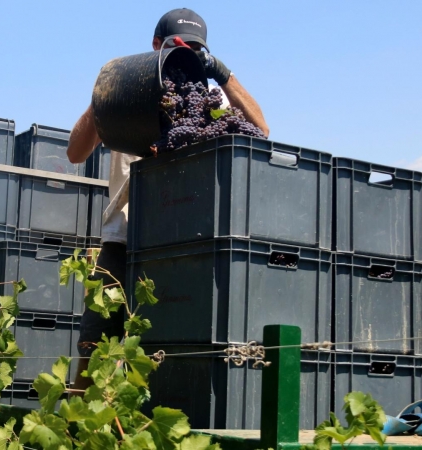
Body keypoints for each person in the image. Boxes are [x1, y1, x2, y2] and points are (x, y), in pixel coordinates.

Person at [66, 8, 269, 391]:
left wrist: (223, 75)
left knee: (163, 355)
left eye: (196, 50)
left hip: (180, 242)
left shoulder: (207, 101)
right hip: (122, 243)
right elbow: (75, 153)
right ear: (156, 45)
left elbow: (260, 129)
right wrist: (105, 96)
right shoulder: (127, 95)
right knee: (92, 356)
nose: (186, 54)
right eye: (179, 46)